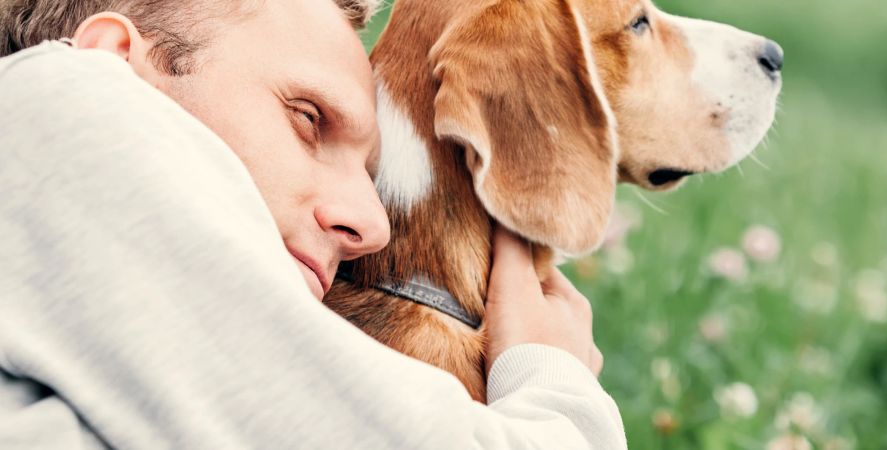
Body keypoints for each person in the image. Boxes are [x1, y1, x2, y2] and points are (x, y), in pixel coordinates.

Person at [0, 0, 627, 448]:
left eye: (367, 170)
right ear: (111, 63)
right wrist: (555, 382)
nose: (373, 225)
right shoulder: (49, 107)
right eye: (308, 119)